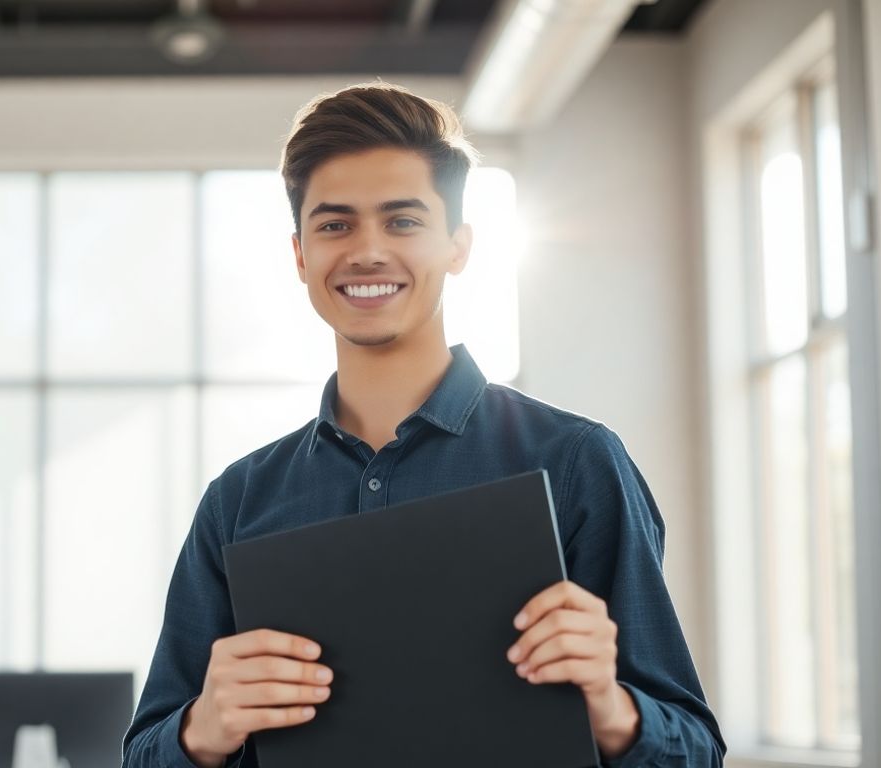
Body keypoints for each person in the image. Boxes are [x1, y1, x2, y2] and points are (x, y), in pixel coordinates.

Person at [121, 82, 724, 767]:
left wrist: (610, 707)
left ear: (457, 246)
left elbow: (696, 752)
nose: (368, 251)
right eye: (335, 224)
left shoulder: (576, 463)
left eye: (403, 221)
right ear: (300, 255)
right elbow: (143, 753)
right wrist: (201, 730)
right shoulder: (239, 501)